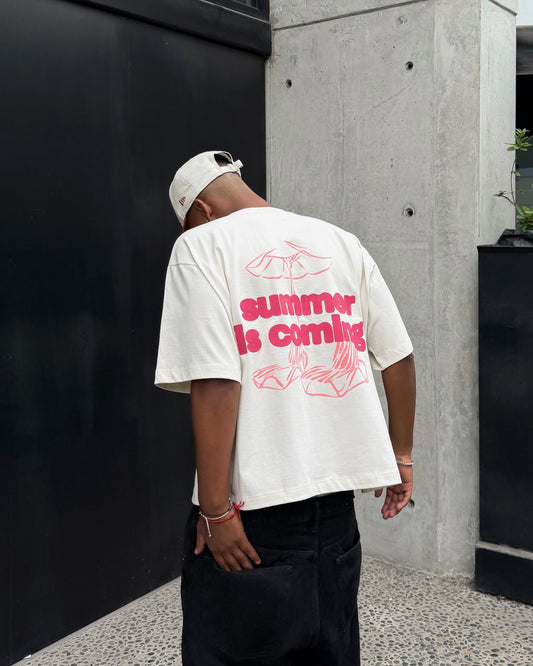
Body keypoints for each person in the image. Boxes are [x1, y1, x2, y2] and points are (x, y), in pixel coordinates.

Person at [155, 150, 416, 666]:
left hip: (253, 513)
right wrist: (401, 456)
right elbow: (398, 356)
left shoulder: (201, 245)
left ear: (201, 209)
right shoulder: (340, 241)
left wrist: (215, 510)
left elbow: (216, 380)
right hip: (336, 514)